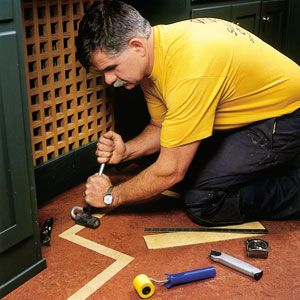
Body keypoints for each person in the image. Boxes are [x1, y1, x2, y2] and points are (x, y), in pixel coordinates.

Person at [77, 0, 300, 226]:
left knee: (204, 202)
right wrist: (127, 151)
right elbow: (161, 127)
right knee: (173, 170)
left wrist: (111, 196)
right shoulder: (153, 55)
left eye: (111, 68)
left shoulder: (190, 67)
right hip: (255, 113)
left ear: (137, 46)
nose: (108, 80)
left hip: (287, 116)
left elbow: (171, 171)